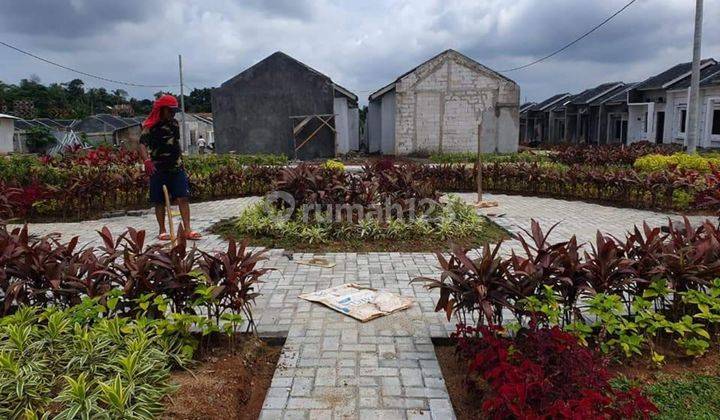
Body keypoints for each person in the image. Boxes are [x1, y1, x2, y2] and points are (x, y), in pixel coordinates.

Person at [140, 94, 201, 240]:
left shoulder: (175, 124)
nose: (173, 113)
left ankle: (187, 230)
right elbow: (142, 145)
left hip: (176, 168)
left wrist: (181, 160)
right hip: (158, 169)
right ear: (162, 109)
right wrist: (147, 161)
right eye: (170, 110)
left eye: (174, 111)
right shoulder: (149, 126)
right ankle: (162, 230)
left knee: (183, 197)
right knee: (159, 201)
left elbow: (176, 144)